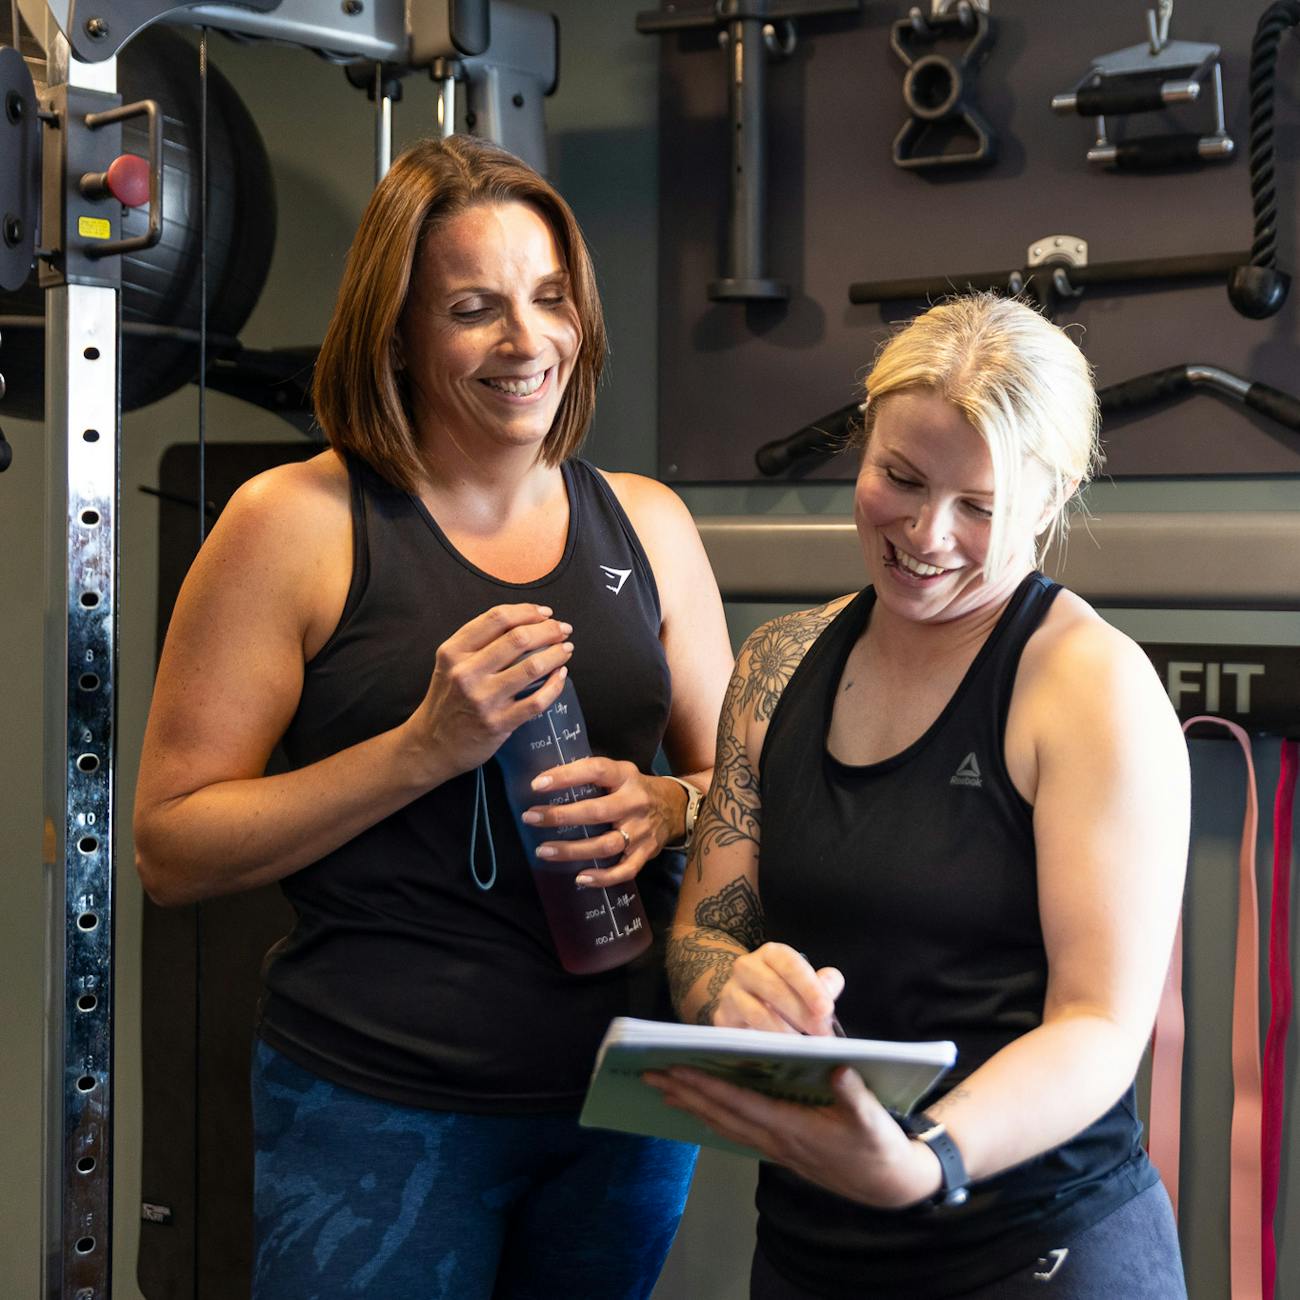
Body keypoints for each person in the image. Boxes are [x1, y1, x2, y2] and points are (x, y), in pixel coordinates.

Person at [133, 135, 732, 1300]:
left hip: (622, 1096)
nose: (528, 341)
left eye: (549, 298)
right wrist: (421, 750)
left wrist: (667, 803)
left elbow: (738, 791)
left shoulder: (647, 523)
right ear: (396, 332)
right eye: (474, 308)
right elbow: (169, 846)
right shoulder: (292, 524)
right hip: (379, 1106)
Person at [648, 294, 1191, 1299]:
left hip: (1032, 1245)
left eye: (978, 506)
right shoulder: (777, 664)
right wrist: (730, 987)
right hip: (815, 1245)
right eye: (899, 477)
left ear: (1051, 495)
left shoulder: (1086, 688)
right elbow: (702, 929)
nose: (925, 533)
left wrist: (925, 1157)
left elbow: (1098, 1027)